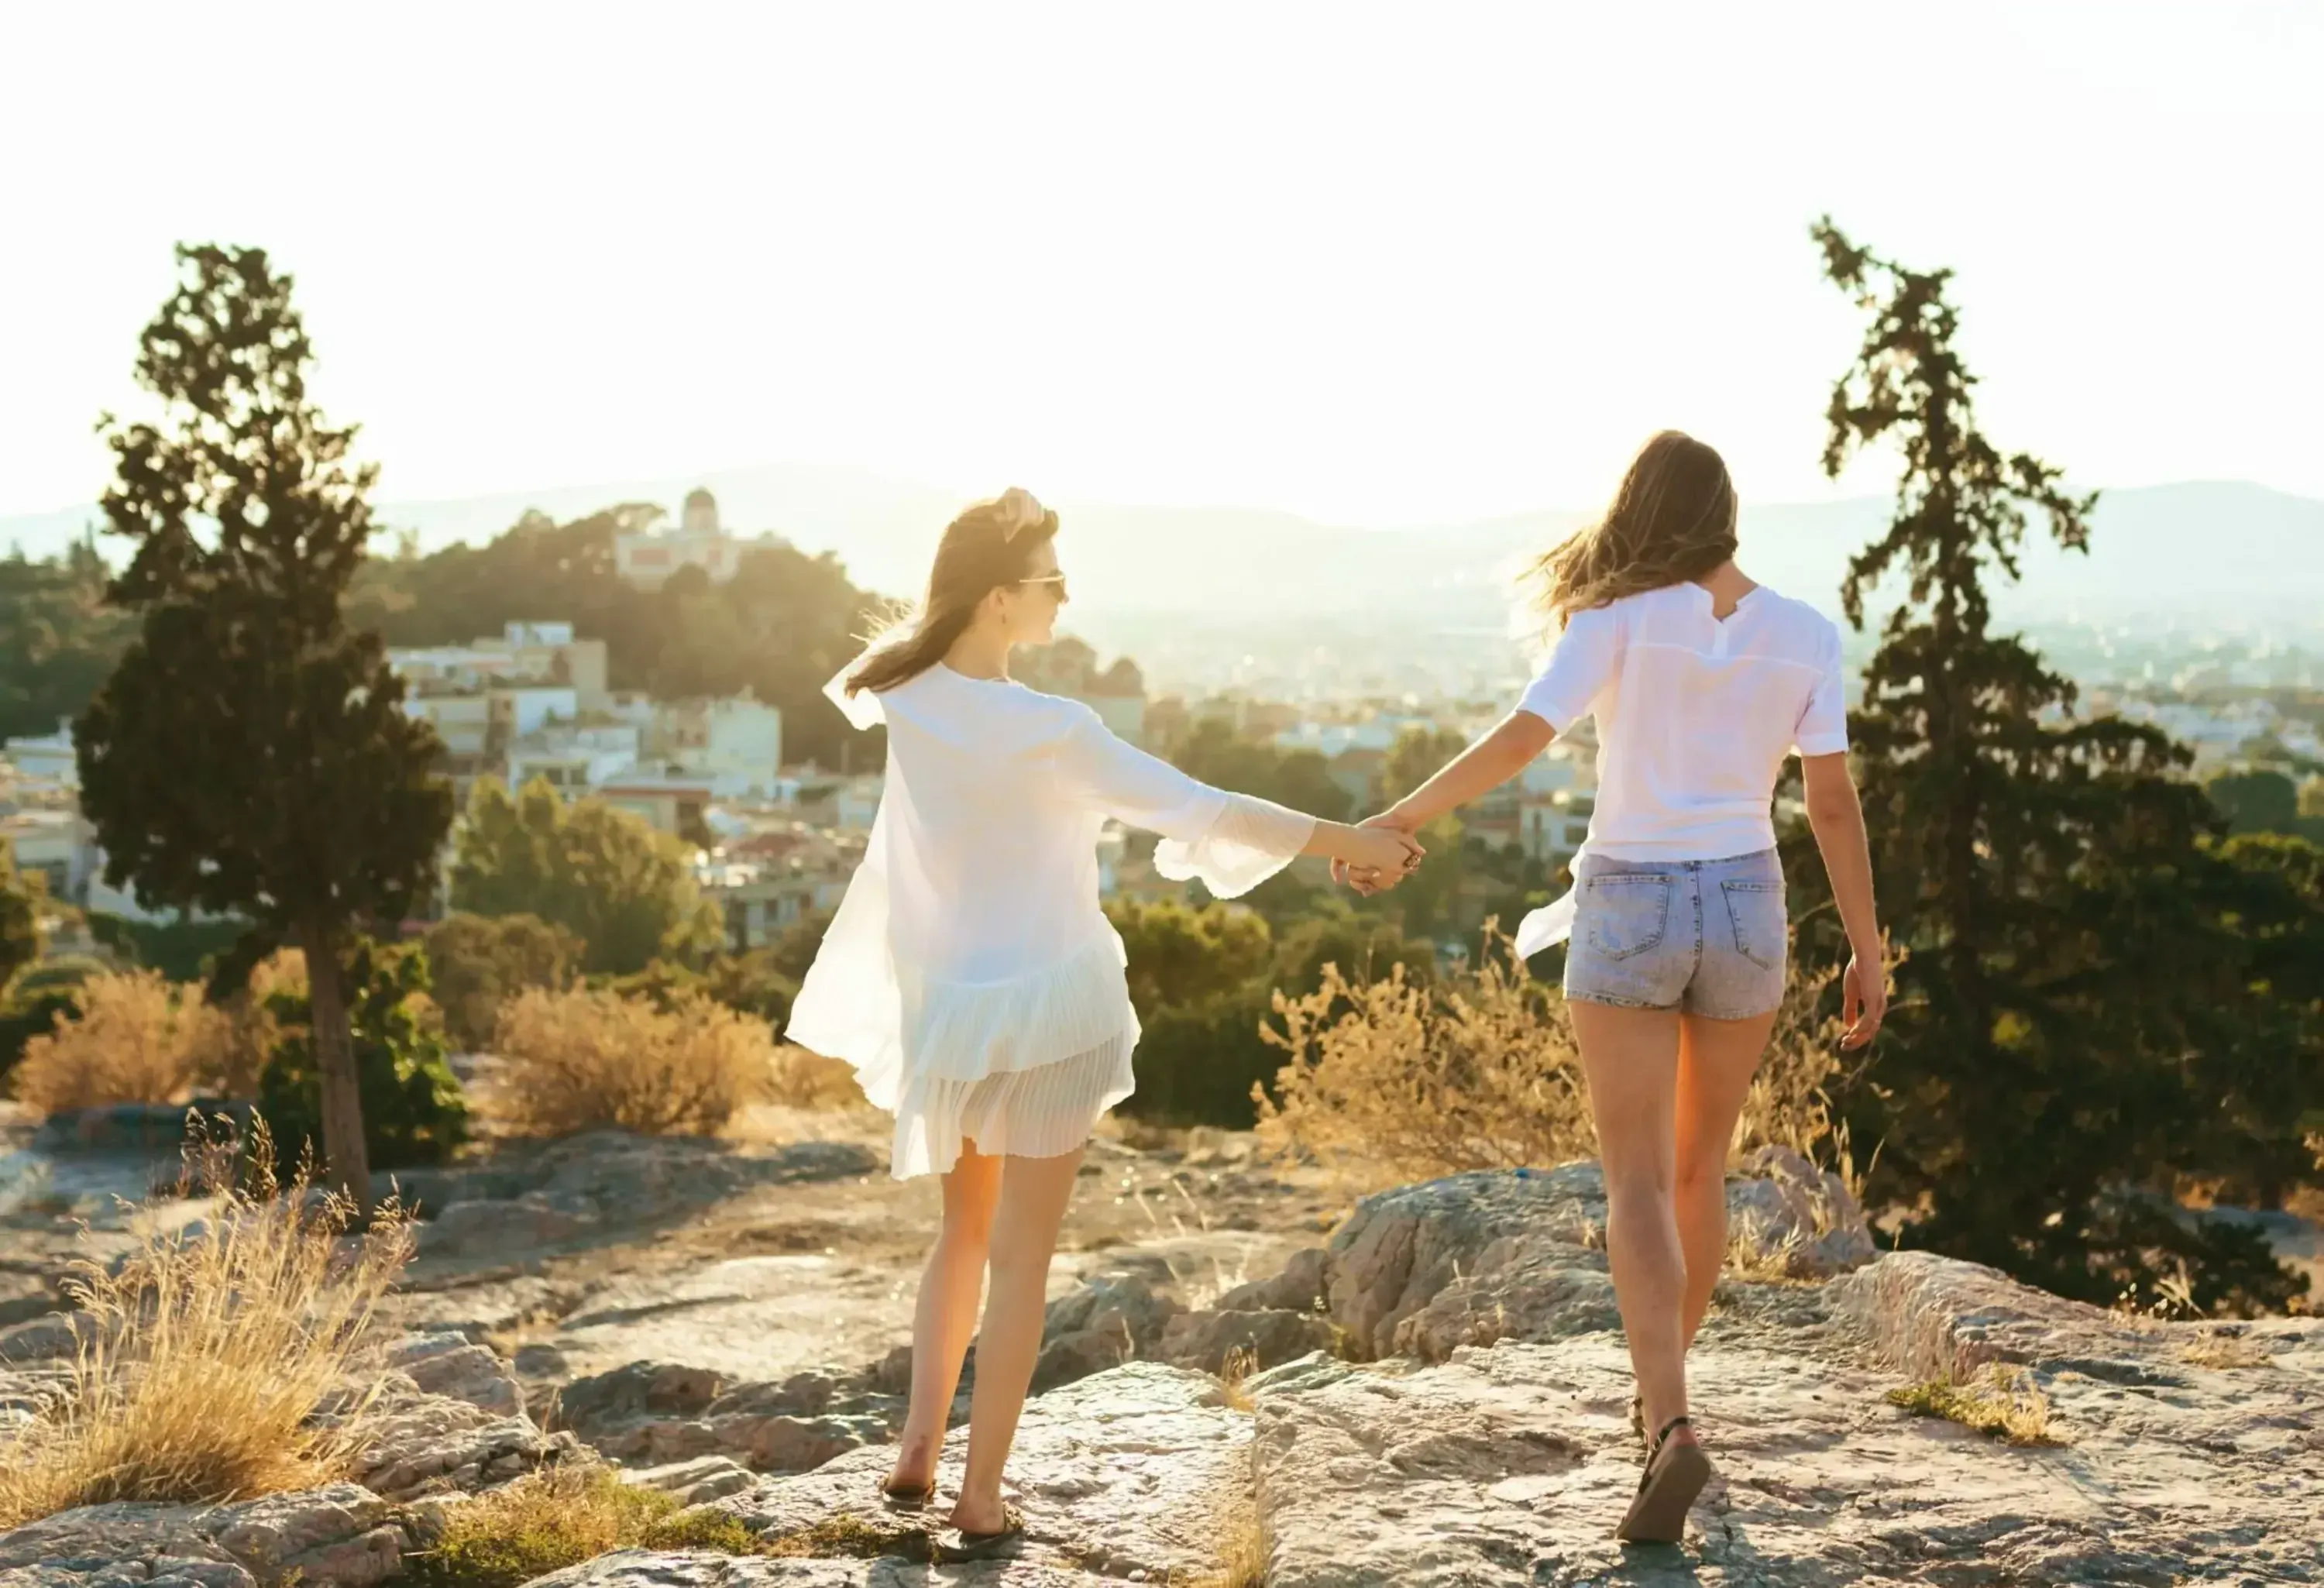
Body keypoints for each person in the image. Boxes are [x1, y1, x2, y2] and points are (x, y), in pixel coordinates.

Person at [785, 487, 1422, 1562]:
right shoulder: (1049, 731)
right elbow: (1205, 805)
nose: (1066, 596)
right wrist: (1348, 836)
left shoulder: (903, 688)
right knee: (1024, 1261)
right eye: (1051, 579)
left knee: (962, 1235)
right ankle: (979, 1501)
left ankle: (914, 1456)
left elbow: (883, 666)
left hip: (949, 1012)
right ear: (998, 598)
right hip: (1049, 1013)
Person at [1340, 431, 1886, 1543]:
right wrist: (1869, 949)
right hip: (1746, 898)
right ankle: (1663, 1399)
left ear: (1641, 511)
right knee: (1702, 1168)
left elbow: (1523, 738)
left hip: (1632, 894)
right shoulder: (1805, 633)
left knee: (1633, 1179)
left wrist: (1398, 819)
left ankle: (1669, 1421)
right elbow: (1831, 804)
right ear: (1727, 515)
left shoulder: (1615, 619)